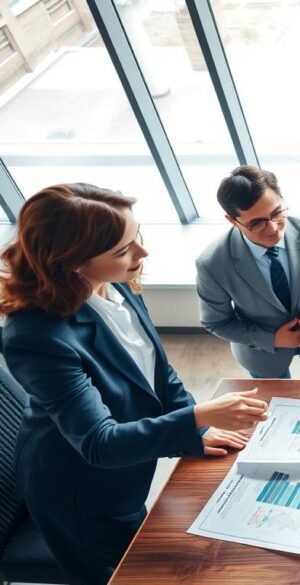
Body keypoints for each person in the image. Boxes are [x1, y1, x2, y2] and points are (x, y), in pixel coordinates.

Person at [0, 184, 269, 585]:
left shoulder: (118, 285)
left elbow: (159, 377)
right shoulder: (35, 336)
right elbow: (99, 443)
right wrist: (198, 415)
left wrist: (197, 427)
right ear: (73, 262)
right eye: (123, 250)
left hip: (128, 473)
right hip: (81, 494)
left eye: (136, 237)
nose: (142, 255)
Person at [196, 166, 300, 379]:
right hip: (261, 351)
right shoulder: (212, 264)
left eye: (277, 213)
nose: (273, 228)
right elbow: (216, 322)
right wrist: (272, 338)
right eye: (256, 223)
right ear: (232, 221)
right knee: (277, 407)